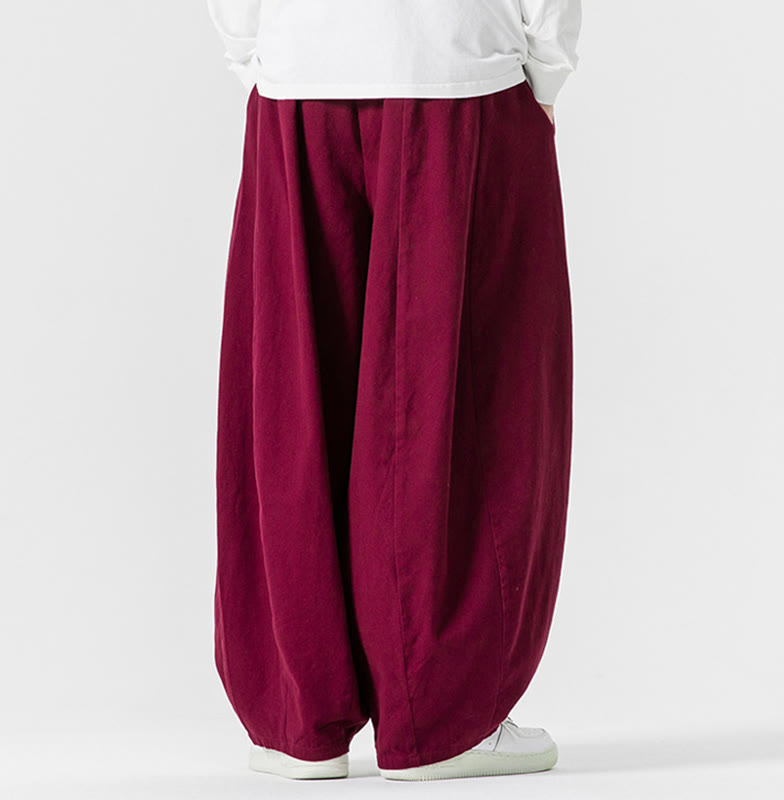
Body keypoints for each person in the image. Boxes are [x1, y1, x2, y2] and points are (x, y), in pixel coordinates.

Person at [207, 0, 581, 782]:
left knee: (295, 394)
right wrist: (546, 69)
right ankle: (441, 717)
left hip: (299, 77)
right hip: (456, 69)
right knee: (464, 396)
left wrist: (263, 52)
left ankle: (297, 717)